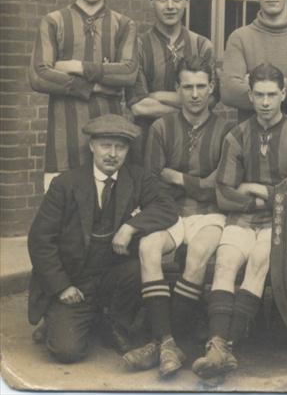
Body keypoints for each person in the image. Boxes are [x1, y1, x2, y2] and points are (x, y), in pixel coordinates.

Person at [191, 63, 287, 383]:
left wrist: (261, 190)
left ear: (284, 94)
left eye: (272, 94)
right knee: (226, 262)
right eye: (259, 95)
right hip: (242, 218)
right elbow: (224, 194)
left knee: (259, 261)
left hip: (281, 221)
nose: (266, 102)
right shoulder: (238, 135)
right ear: (250, 96)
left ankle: (226, 345)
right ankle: (218, 345)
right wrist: (263, 198)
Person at [27, 114, 178, 364]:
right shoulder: (65, 185)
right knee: (67, 352)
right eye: (105, 145)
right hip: (73, 281)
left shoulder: (137, 178)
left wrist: (131, 226)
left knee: (139, 267)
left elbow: (167, 207)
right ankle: (57, 316)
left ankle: (111, 320)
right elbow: (40, 241)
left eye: (120, 147)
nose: (112, 154)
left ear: (128, 149)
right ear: (92, 146)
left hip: (111, 276)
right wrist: (62, 286)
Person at [121, 56, 233, 377]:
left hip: (210, 214)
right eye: (188, 87)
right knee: (147, 248)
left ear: (211, 88)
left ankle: (162, 345)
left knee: (198, 253)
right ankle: (168, 343)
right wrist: (177, 182)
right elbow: (154, 181)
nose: (195, 94)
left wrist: (178, 177)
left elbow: (218, 187)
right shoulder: (160, 127)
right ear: (177, 89)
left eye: (201, 86)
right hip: (169, 212)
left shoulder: (226, 130)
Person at [29, 0, 138, 192]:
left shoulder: (124, 25)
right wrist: (95, 85)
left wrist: (78, 66)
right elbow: (38, 75)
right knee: (62, 223)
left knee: (107, 222)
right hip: (62, 144)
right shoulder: (53, 21)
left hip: (110, 144)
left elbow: (129, 72)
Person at [127, 0, 217, 159]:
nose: (170, 6)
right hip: (148, 144)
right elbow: (139, 106)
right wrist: (190, 107)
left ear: (186, 0)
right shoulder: (138, 46)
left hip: (195, 145)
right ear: (150, 0)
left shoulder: (202, 46)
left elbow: (210, 99)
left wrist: (156, 95)